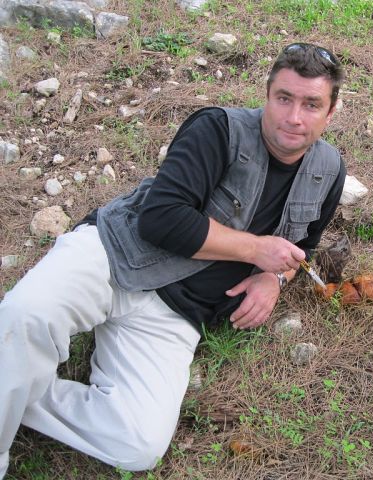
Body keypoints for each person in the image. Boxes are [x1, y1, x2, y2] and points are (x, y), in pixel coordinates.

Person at [0, 43, 346, 477]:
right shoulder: (218, 129)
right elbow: (160, 219)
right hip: (113, 256)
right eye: (284, 98)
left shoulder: (329, 170)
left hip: (174, 315)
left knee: (136, 445)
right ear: (267, 95)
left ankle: (14, 384)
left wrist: (273, 278)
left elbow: (303, 246)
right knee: (25, 315)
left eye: (311, 104)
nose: (294, 117)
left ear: (330, 112)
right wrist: (256, 249)